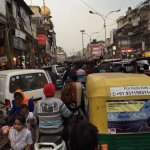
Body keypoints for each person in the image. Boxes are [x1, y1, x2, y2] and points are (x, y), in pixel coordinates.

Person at [34, 83, 71, 149]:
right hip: (58, 131)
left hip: (43, 132)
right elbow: (67, 114)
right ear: (54, 91)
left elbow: (35, 115)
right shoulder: (59, 102)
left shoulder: (38, 103)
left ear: (44, 92)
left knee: (37, 141)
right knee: (68, 137)